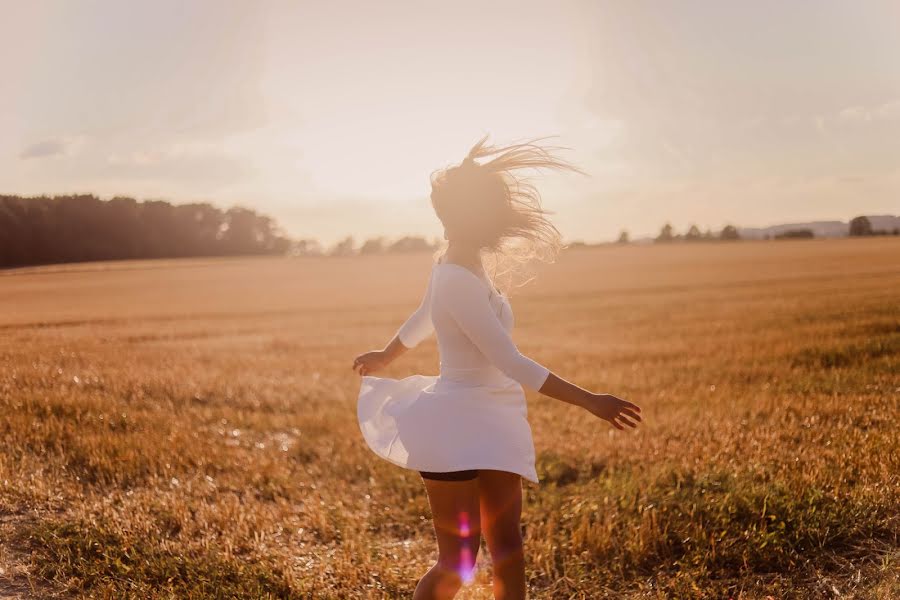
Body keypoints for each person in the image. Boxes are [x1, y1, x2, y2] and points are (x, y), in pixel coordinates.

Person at [352, 136, 641, 600]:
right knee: (459, 562)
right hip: (452, 425)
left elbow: (423, 316)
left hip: (495, 419)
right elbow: (508, 360)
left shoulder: (459, 267)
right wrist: (591, 401)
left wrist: (386, 355)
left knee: (509, 549)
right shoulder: (452, 277)